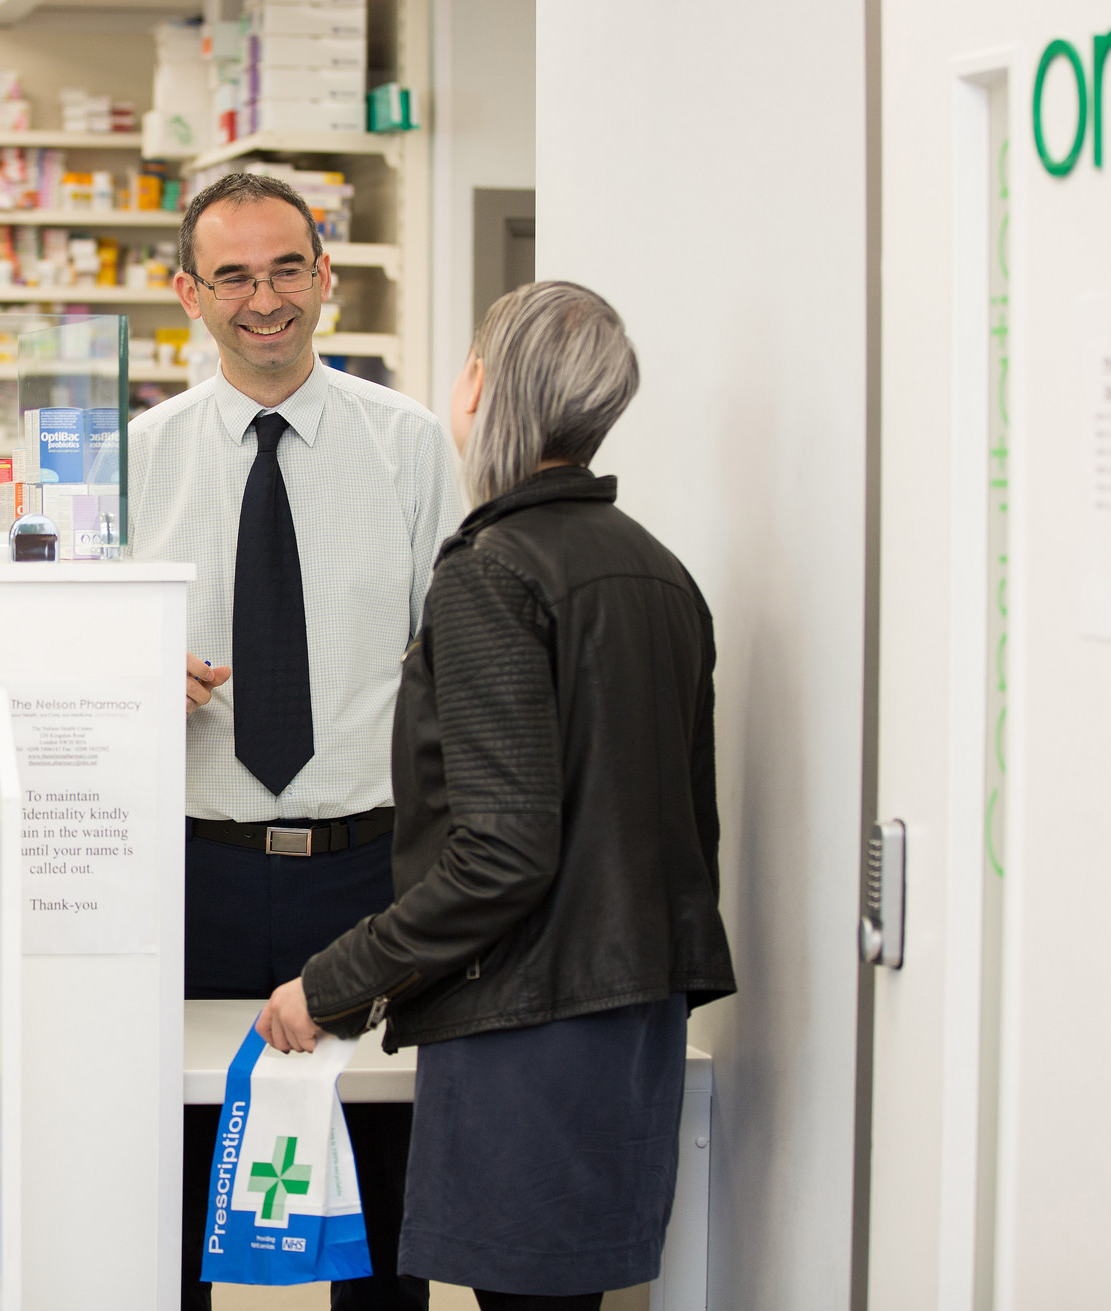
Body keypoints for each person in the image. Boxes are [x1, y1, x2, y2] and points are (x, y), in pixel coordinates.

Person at [255, 281, 739, 1311]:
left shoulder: (490, 574)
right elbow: (679, 823)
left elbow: (501, 854)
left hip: (530, 1027)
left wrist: (332, 982)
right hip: (630, 1016)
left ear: (480, 387)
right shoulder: (656, 572)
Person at [129, 170, 463, 1311]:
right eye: (231, 275)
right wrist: (125, 680)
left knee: (378, 1195)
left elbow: (458, 659)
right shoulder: (132, 462)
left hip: (368, 874)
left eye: (285, 270)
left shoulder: (408, 447)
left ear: (325, 279)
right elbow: (57, 670)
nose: (261, 298)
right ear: (187, 293)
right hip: (193, 869)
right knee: (167, 1190)